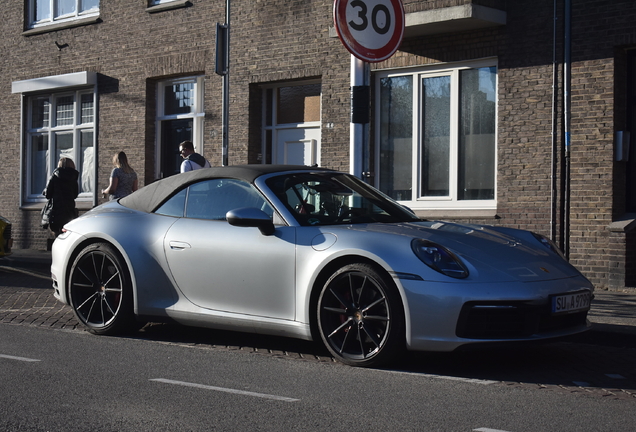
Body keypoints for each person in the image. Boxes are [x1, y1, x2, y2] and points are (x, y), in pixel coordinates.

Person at [41, 157, 79, 237]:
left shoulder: (54, 176)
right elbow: (75, 195)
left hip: (56, 212)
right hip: (69, 212)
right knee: (67, 235)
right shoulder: (73, 178)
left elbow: (48, 194)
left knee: (56, 235)